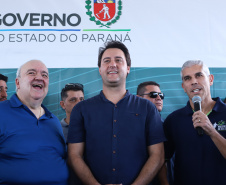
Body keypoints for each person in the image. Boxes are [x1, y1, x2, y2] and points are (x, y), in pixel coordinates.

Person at [67, 41, 166, 185]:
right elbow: (74, 155)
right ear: (100, 69)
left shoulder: (147, 108)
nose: (112, 64)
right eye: (106, 61)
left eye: (118, 60)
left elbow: (158, 155)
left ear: (128, 68)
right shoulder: (81, 109)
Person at [0, 60, 68, 185]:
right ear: (17, 82)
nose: (39, 78)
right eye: (31, 73)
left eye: (44, 75)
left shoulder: (53, 120)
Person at [164, 60, 226, 185]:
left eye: (199, 75)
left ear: (210, 79)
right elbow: (161, 160)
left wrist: (212, 132)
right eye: (187, 78)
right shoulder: (173, 120)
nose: (194, 81)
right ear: (183, 87)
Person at [137, 81, 174, 185]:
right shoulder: (132, 127)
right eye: (153, 95)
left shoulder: (167, 125)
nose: (159, 98)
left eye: (161, 95)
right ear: (138, 98)